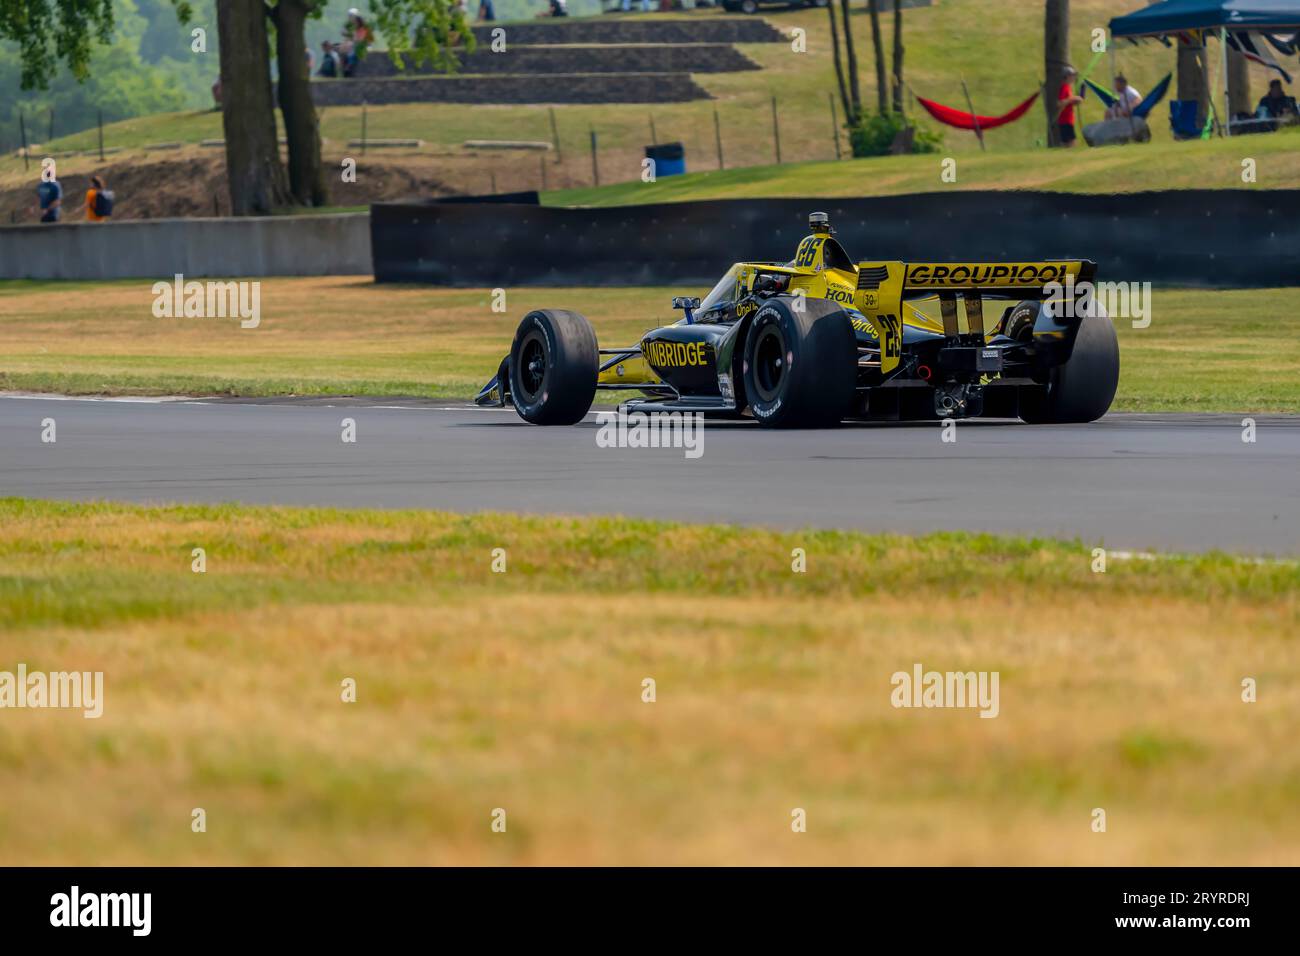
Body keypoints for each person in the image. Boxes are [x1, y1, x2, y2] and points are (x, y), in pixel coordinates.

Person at [1056, 65, 1082, 147]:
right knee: (1071, 143)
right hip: (1065, 120)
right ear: (1067, 77)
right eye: (1072, 76)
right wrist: (1072, 99)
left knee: (1068, 143)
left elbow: (1067, 102)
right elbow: (1060, 103)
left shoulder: (1068, 88)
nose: (1074, 78)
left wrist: (1075, 101)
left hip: (1068, 120)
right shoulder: (1065, 87)